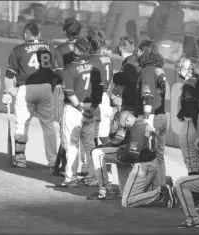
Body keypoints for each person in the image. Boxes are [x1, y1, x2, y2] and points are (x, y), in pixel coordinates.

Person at [88, 110, 174, 208]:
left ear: (128, 119)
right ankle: (164, 184)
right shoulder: (142, 124)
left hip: (143, 167)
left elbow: (132, 155)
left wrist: (120, 154)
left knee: (127, 201)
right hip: (150, 165)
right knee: (130, 193)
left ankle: (160, 192)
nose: (124, 127)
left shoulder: (137, 128)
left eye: (124, 125)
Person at [2, 22, 58, 169]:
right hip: (46, 88)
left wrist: (8, 92)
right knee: (49, 126)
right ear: (39, 34)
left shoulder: (18, 50)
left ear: (25, 34)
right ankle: (53, 162)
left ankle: (20, 159)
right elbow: (58, 73)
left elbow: (9, 76)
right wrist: (49, 88)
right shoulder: (51, 48)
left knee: (22, 124)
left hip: (26, 88)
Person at [55, 38, 102, 188]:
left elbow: (69, 93)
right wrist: (92, 107)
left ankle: (71, 178)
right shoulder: (94, 68)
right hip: (90, 107)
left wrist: (81, 109)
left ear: (76, 50)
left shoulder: (69, 68)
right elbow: (99, 91)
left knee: (71, 144)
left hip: (75, 109)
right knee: (89, 145)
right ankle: (92, 178)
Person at [52, 17, 85, 177]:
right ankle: (86, 169)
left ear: (65, 32)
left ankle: (65, 166)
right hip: (86, 90)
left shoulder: (61, 48)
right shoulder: (87, 46)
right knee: (87, 130)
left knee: (64, 129)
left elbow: (57, 71)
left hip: (66, 90)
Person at [135, 40, 168, 187]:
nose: (138, 53)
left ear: (145, 52)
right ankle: (161, 189)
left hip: (152, 116)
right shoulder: (159, 69)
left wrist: (146, 120)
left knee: (148, 156)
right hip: (162, 116)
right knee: (159, 157)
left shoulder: (147, 70)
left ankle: (152, 190)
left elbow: (148, 96)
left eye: (140, 50)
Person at [175, 57, 199, 208]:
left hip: (190, 126)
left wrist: (197, 133)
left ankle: (198, 199)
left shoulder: (188, 85)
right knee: (196, 163)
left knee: (192, 164)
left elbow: (192, 109)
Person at [86, 29, 113, 146]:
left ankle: (94, 163)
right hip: (105, 98)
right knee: (104, 137)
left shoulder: (91, 60)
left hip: (95, 100)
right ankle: (106, 163)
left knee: (93, 136)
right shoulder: (108, 58)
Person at [113, 36, 139, 111]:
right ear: (133, 48)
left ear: (120, 48)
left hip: (130, 105)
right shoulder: (133, 61)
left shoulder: (129, 64)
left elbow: (131, 84)